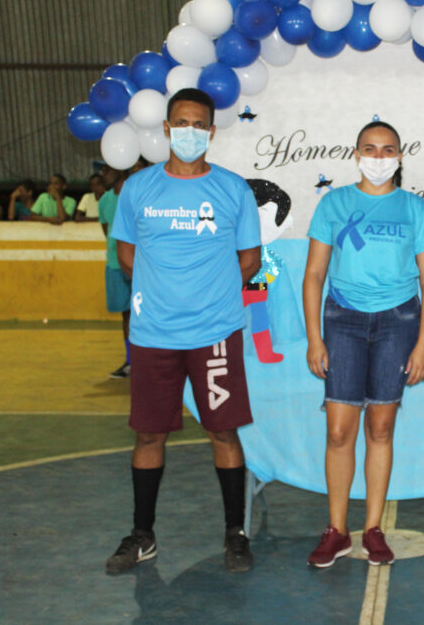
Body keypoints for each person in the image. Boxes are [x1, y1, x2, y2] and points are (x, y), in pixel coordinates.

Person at [105, 88, 262, 575]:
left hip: (215, 333)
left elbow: (250, 259)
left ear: (211, 132)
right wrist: (164, 291)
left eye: (198, 124)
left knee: (223, 430)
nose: (189, 132)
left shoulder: (233, 189)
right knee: (149, 433)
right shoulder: (138, 188)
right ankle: (142, 535)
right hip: (154, 336)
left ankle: (235, 533)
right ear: (166, 128)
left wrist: (209, 292)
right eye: (181, 123)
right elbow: (126, 253)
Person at [302, 121, 424, 568]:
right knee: (338, 432)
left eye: (387, 150)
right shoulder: (334, 204)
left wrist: (423, 345)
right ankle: (337, 530)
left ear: (400, 157)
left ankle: (374, 529)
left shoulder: (415, 208)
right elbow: (314, 274)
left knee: (381, 429)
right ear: (356, 154)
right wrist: (314, 338)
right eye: (370, 148)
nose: (378, 158)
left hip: (398, 323)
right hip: (342, 321)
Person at [98, 158, 148, 379]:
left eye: (108, 168)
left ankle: (148, 358)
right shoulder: (105, 200)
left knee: (145, 313)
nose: (104, 173)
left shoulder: (138, 194)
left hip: (142, 265)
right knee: (126, 315)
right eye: (103, 169)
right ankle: (130, 361)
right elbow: (107, 231)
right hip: (115, 264)